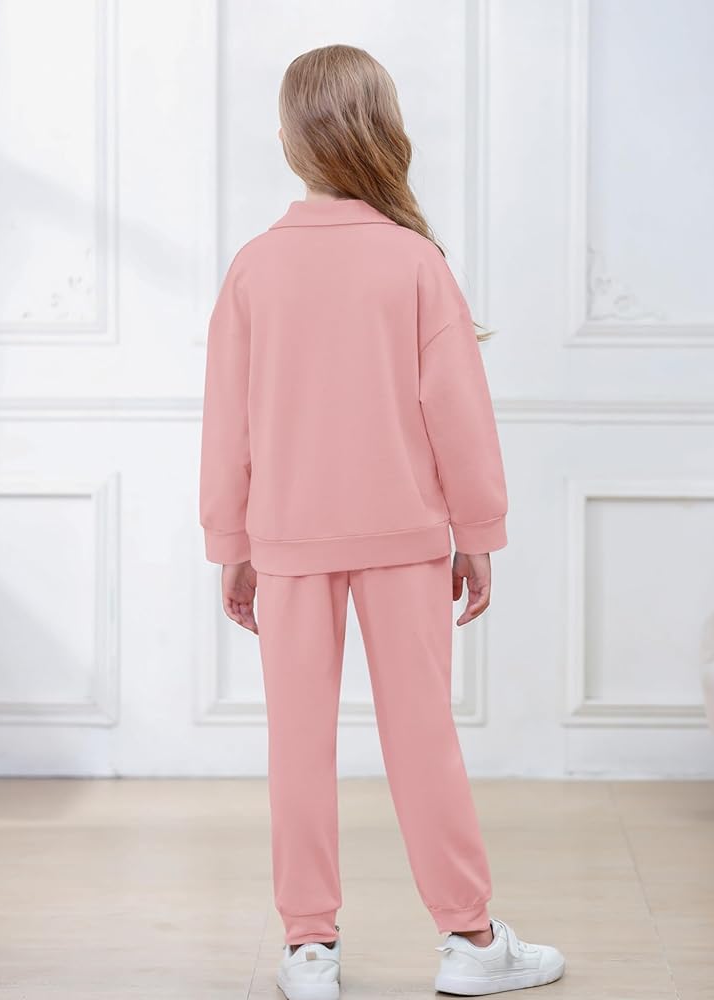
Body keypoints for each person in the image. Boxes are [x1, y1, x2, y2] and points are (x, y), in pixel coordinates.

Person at [199, 43, 565, 1000]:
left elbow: (227, 423)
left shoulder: (253, 268)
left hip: (286, 543)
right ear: (383, 131)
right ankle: (470, 939)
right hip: (404, 542)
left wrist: (231, 544)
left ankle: (307, 950)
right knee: (422, 736)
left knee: (296, 743)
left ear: (290, 141)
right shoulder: (414, 262)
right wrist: (476, 535)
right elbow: (459, 417)